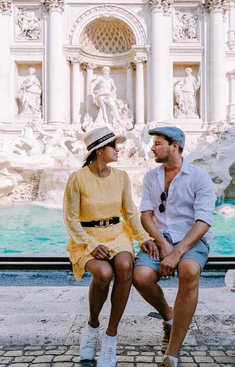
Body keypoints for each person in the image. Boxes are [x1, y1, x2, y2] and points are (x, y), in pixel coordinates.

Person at [63, 126, 157, 367]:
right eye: (113, 146)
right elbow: (71, 219)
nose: (118, 150)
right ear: (99, 150)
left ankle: (111, 335)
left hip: (117, 234)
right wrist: (92, 244)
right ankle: (93, 325)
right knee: (103, 274)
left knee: (126, 266)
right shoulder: (77, 178)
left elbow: (130, 212)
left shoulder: (121, 177)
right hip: (87, 237)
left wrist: (143, 237)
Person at [133, 126, 216, 367]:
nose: (152, 147)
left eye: (158, 143)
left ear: (174, 146)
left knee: (189, 271)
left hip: (191, 239)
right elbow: (146, 216)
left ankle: (172, 352)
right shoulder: (151, 177)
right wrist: (164, 245)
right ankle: (169, 317)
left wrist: (177, 251)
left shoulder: (199, 177)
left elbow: (204, 221)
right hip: (162, 238)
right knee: (141, 276)